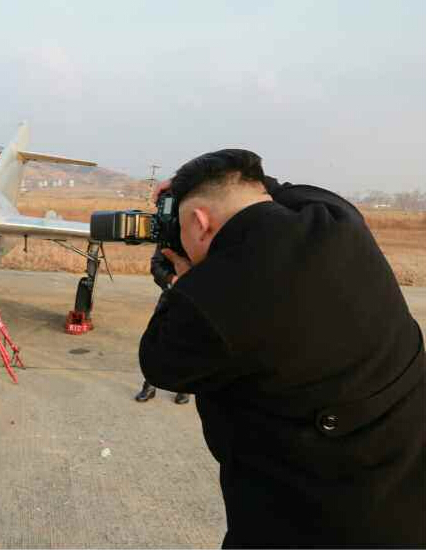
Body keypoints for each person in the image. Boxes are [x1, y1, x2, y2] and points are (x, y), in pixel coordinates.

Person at [139, 149, 425, 547]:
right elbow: (277, 193)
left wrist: (178, 286)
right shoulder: (338, 218)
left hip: (303, 518)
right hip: (404, 498)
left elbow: (158, 363)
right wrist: (208, 183)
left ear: (200, 223)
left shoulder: (212, 298)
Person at [135, 244, 190, 405]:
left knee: (188, 342)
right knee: (157, 340)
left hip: (196, 296)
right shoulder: (169, 234)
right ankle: (150, 385)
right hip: (171, 294)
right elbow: (156, 265)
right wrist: (172, 279)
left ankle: (184, 387)